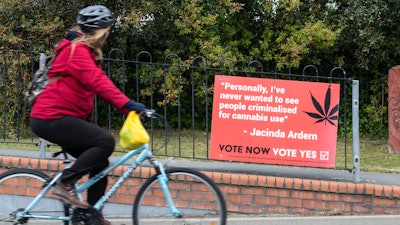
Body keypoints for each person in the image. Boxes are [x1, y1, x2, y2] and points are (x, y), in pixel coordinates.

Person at [29, 5, 144, 224]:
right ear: (101, 31)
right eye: (107, 30)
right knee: (104, 142)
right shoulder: (77, 52)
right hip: (50, 117)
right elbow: (99, 82)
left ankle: (92, 216)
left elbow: (89, 87)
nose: (108, 35)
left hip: (58, 117)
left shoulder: (82, 51)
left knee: (99, 163)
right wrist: (128, 105)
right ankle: (65, 183)